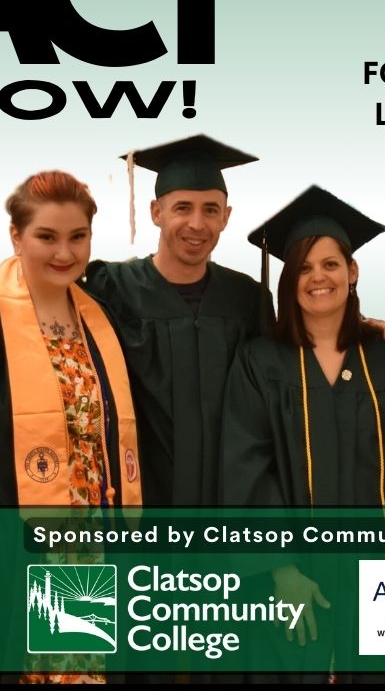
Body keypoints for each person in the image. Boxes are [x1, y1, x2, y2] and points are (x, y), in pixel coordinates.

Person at [221, 186, 385, 680]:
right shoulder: (260, 362)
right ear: (289, 280)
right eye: (304, 267)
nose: (319, 277)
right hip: (292, 582)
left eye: (331, 264)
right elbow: (246, 465)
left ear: (352, 272)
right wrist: (281, 571)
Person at [83, 134, 274, 507]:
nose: (197, 224)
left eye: (211, 209)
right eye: (183, 207)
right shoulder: (111, 288)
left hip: (229, 510)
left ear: (227, 216)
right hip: (142, 504)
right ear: (157, 212)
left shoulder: (248, 299)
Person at [0, 171, 142, 510]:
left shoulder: (99, 317)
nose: (64, 253)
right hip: (11, 529)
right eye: (47, 237)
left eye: (78, 237)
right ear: (16, 237)